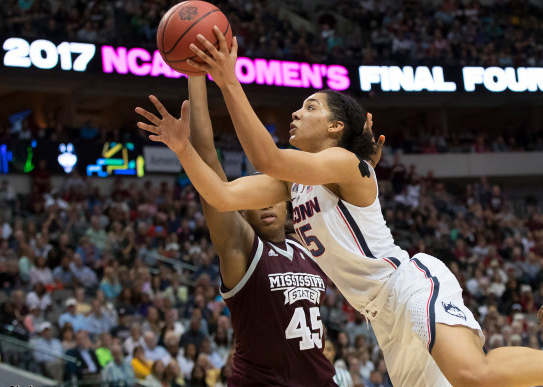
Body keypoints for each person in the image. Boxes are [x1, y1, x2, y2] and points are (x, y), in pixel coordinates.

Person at [137, 28, 543, 387]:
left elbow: (267, 157)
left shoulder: (345, 164)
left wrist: (227, 79)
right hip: (382, 317)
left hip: (407, 284)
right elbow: (221, 196)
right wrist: (182, 149)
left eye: (308, 106)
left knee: (471, 373)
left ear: (334, 127)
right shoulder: (292, 185)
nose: (295, 113)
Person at [134, 75, 373, 386]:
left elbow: (341, 189)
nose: (266, 205)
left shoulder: (308, 245)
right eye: (256, 201)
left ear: (289, 203)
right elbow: (208, 159)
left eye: (273, 197)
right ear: (242, 211)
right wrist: (194, 75)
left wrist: (359, 144)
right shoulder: (241, 248)